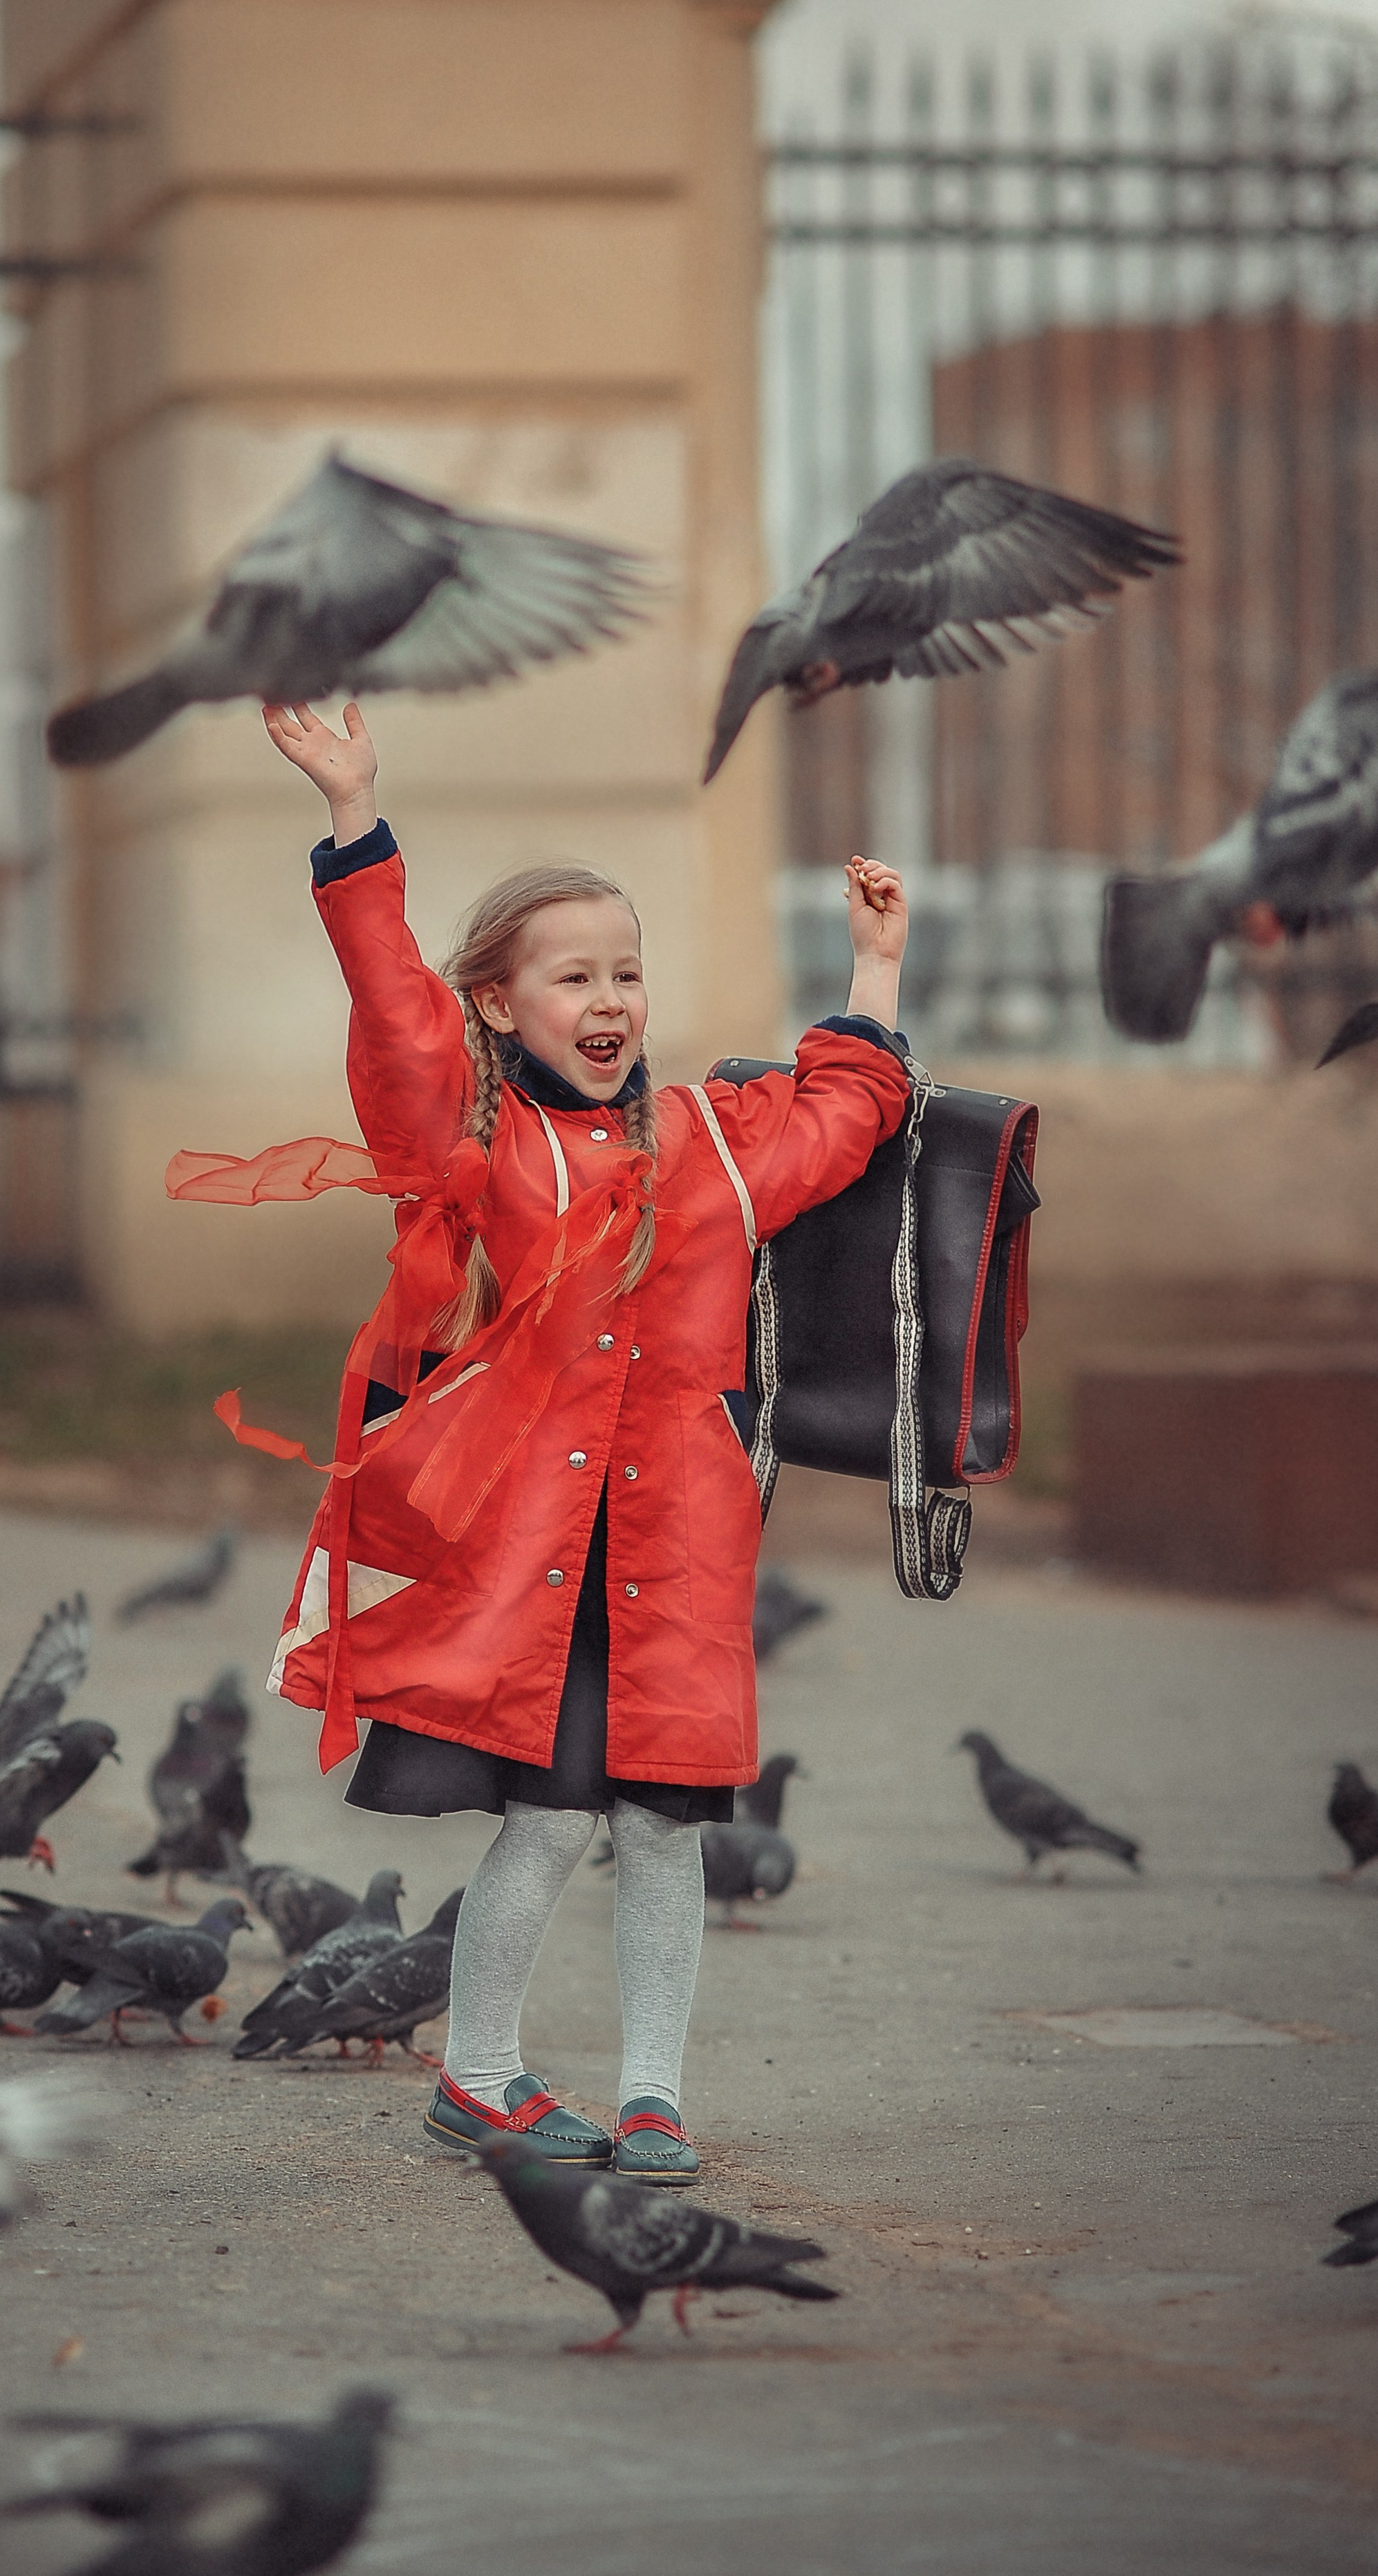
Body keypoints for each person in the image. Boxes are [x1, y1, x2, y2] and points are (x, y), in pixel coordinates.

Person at [178, 698, 911, 2184]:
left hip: (681, 1552)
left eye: (626, 974)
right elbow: (394, 1023)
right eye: (571, 975)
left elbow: (844, 1115)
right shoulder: (472, 1148)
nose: (608, 1000)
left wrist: (875, 969)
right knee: (550, 1824)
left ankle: (652, 2097)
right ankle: (482, 2077)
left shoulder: (711, 1141)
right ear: (501, 1006)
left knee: (662, 1833)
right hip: (525, 1554)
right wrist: (351, 817)